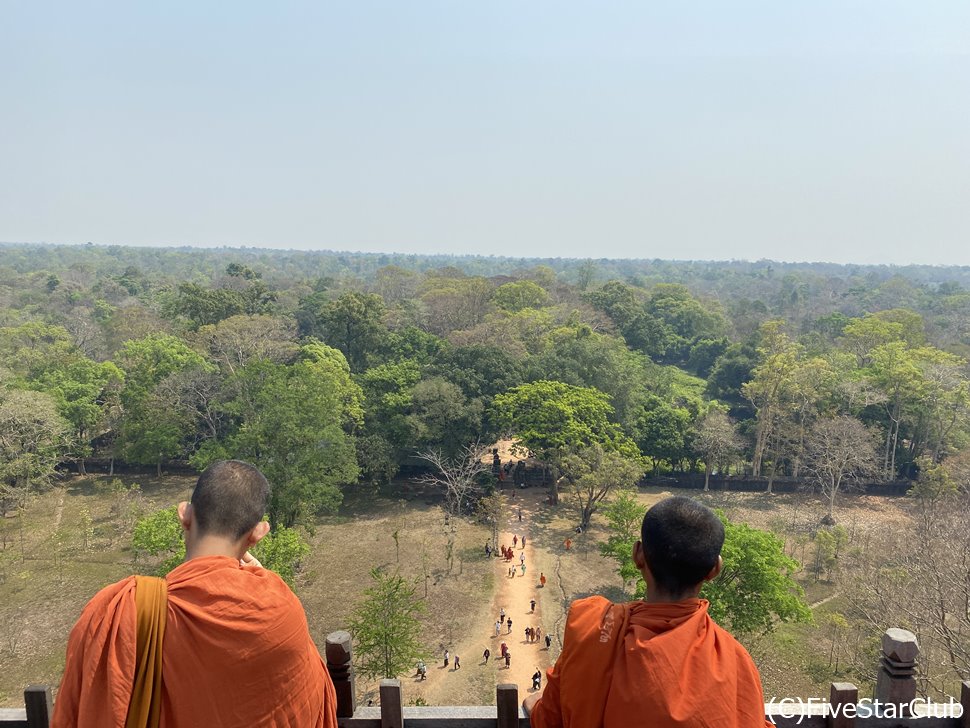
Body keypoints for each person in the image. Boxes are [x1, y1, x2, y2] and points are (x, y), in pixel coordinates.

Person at [52, 460, 337, 728]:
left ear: (185, 515)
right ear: (257, 533)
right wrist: (265, 581)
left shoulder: (120, 610)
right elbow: (313, 695)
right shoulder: (279, 606)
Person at [525, 496, 773, 728]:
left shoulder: (592, 631)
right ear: (714, 570)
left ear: (637, 554)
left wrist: (532, 704)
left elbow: (549, 719)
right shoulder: (736, 661)